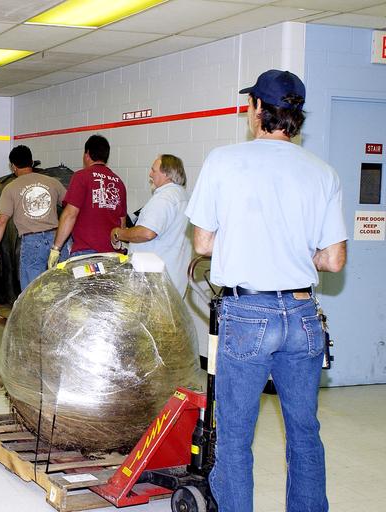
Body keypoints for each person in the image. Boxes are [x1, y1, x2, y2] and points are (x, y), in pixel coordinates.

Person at [186, 69, 347, 512]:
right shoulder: (323, 172)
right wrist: (295, 253)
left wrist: (247, 245)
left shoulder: (222, 160)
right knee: (305, 434)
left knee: (235, 437)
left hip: (247, 315)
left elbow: (202, 243)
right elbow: (333, 260)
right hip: (302, 315)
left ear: (258, 109)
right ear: (296, 116)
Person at [0, 145, 68, 290]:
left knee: (32, 294)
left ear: (13, 166)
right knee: (61, 290)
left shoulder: (10, 188)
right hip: (57, 241)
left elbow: (1, 222)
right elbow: (71, 208)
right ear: (32, 161)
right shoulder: (53, 182)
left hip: (32, 243)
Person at [110, 154, 191, 297]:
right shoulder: (183, 197)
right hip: (173, 279)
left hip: (154, 283)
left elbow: (147, 233)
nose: (150, 174)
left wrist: (119, 233)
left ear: (166, 174)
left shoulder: (165, 198)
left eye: (153, 170)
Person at [48, 134, 126, 268]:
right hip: (112, 256)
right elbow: (122, 223)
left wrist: (56, 248)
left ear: (87, 154)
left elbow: (69, 215)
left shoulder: (81, 177)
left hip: (86, 255)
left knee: (83, 289)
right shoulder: (118, 182)